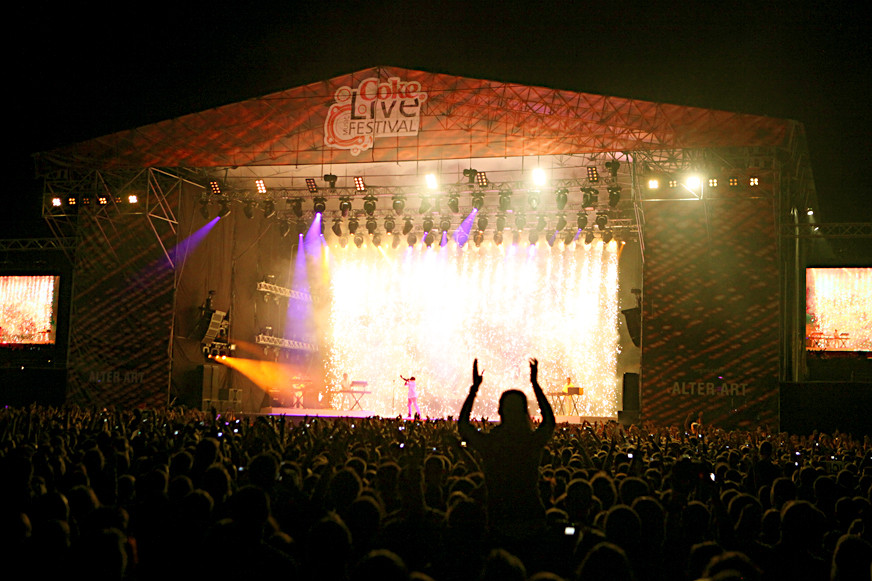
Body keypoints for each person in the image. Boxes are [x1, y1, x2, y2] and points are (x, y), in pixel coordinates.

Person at [458, 358, 556, 542]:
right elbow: (549, 422)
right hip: (532, 518)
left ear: (500, 411)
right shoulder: (530, 443)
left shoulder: (492, 444)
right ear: (524, 412)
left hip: (498, 520)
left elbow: (463, 426)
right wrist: (535, 384)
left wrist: (474, 389)